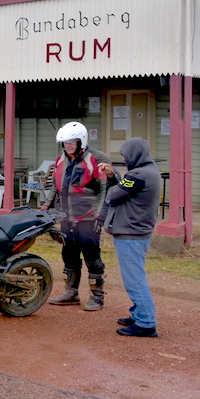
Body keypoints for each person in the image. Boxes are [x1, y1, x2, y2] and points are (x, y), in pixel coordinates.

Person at [99, 137, 162, 337]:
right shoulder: (150, 171)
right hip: (138, 231)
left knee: (134, 280)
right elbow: (123, 189)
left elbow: (113, 195)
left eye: (126, 156)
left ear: (135, 155)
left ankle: (145, 323)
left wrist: (111, 179)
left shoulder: (138, 175)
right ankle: (139, 314)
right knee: (135, 276)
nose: (125, 159)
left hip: (131, 233)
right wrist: (113, 175)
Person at [45, 121, 110, 310]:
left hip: (89, 217)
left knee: (91, 255)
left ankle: (97, 296)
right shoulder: (61, 158)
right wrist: (47, 206)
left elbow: (105, 188)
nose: (68, 146)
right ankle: (71, 292)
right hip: (67, 216)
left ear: (81, 140)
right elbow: (55, 186)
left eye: (71, 142)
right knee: (69, 253)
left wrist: (100, 213)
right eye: (65, 143)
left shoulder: (97, 158)